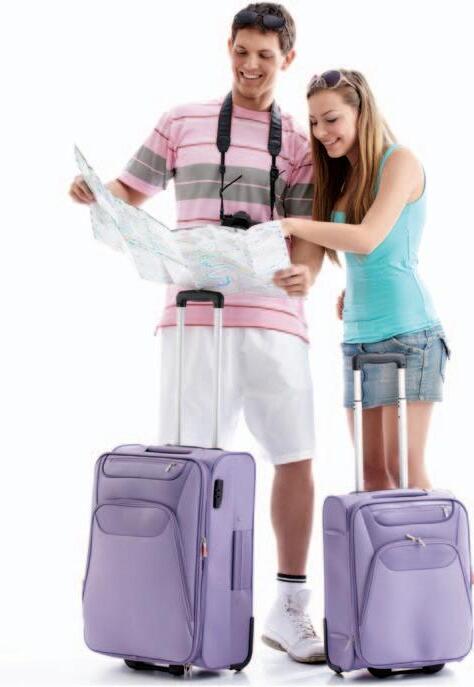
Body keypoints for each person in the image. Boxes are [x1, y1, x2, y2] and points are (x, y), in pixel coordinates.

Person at [70, 4, 328, 664]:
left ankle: (291, 607)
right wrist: (93, 192)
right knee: (187, 463)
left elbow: (308, 237)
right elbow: (127, 192)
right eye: (241, 51)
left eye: (265, 55)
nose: (250, 65)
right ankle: (181, 610)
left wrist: (304, 275)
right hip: (192, 317)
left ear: (288, 59)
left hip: (273, 320)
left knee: (295, 455)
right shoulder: (181, 121)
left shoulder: (301, 142)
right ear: (228, 46)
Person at [274, 69, 450, 493]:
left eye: (331, 119)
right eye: (314, 122)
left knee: (403, 470)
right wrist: (346, 286)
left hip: (409, 334)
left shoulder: (400, 162)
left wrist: (293, 224)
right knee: (372, 474)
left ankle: (448, 541)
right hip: (358, 337)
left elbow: (368, 238)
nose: (321, 132)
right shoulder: (341, 178)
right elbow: (357, 254)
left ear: (362, 112)